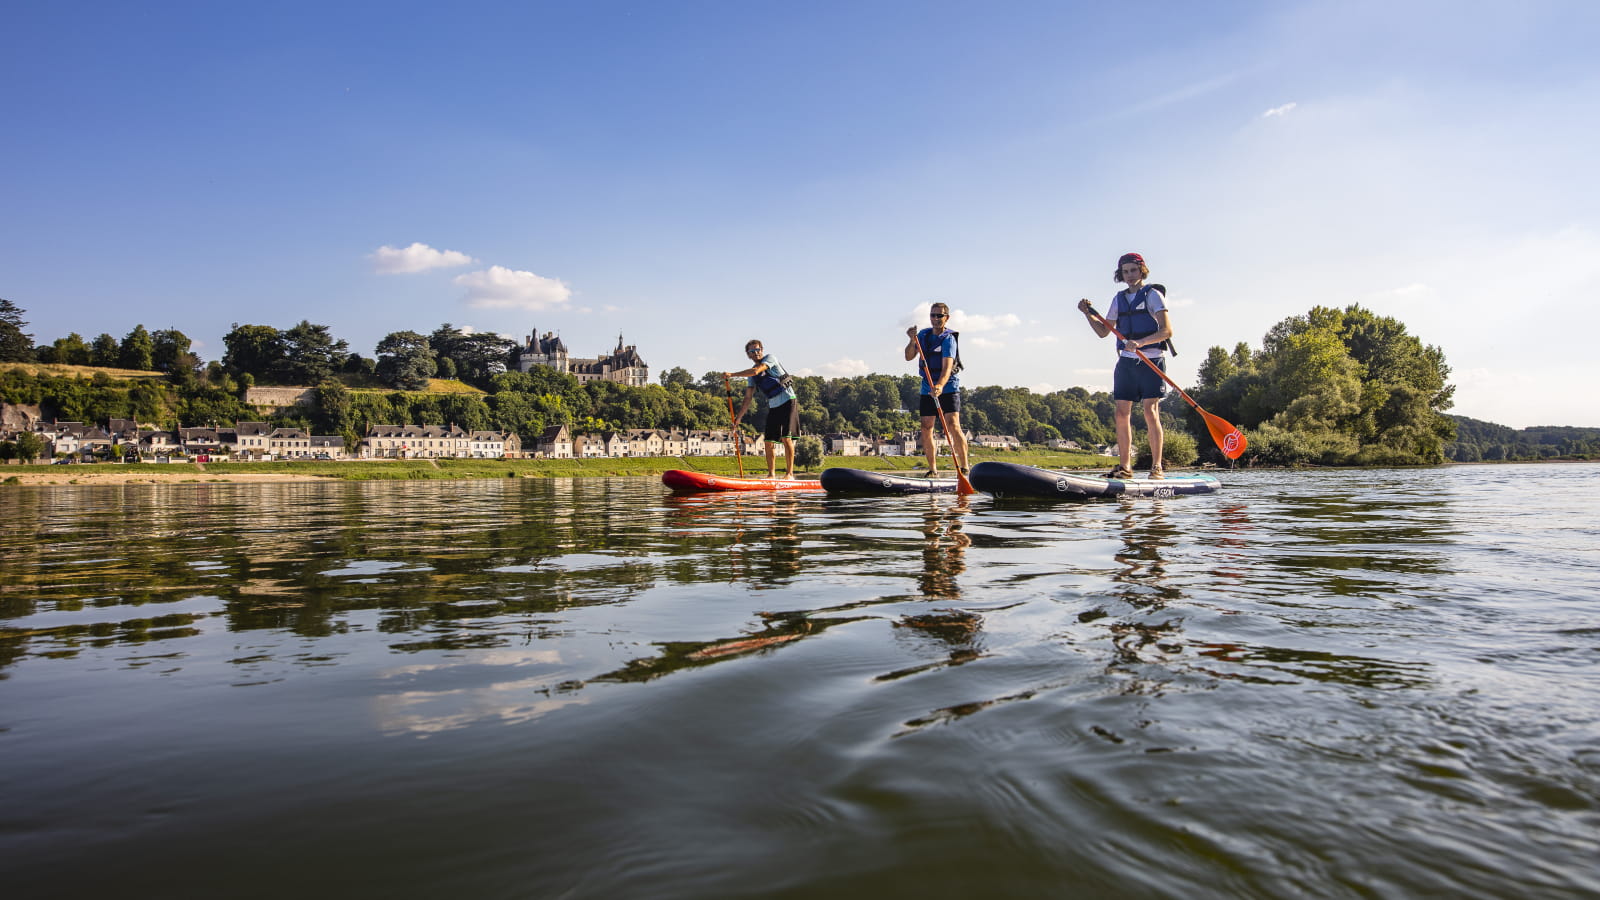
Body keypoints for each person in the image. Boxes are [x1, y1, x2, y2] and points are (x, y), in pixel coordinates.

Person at [1077, 252, 1173, 480]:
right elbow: (1103, 332)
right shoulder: (1118, 300)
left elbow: (1166, 331)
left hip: (1151, 360)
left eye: (1133, 270)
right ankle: (1125, 467)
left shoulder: (1154, 296)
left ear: (1142, 270)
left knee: (1150, 411)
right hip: (1127, 364)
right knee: (1121, 413)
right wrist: (1087, 315)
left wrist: (1140, 342)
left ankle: (1156, 467)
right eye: (1125, 272)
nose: (1129, 275)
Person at [904, 302, 970, 477]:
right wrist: (912, 340)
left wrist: (940, 385)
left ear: (946, 318)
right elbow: (909, 357)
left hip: (948, 387)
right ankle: (933, 470)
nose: (935, 319)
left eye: (939, 316)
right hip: (927, 386)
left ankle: (964, 467)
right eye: (933, 315)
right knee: (926, 427)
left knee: (952, 425)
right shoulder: (923, 335)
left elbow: (947, 367)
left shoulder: (948, 339)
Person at [726, 339, 798, 479]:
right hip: (774, 405)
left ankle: (789, 474)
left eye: (758, 350)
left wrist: (732, 375)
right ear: (748, 355)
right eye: (752, 351)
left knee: (785, 438)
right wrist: (738, 418)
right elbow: (748, 398)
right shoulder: (752, 378)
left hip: (788, 400)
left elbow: (756, 370)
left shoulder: (770, 359)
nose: (756, 353)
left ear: (762, 350)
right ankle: (771, 475)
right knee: (768, 441)